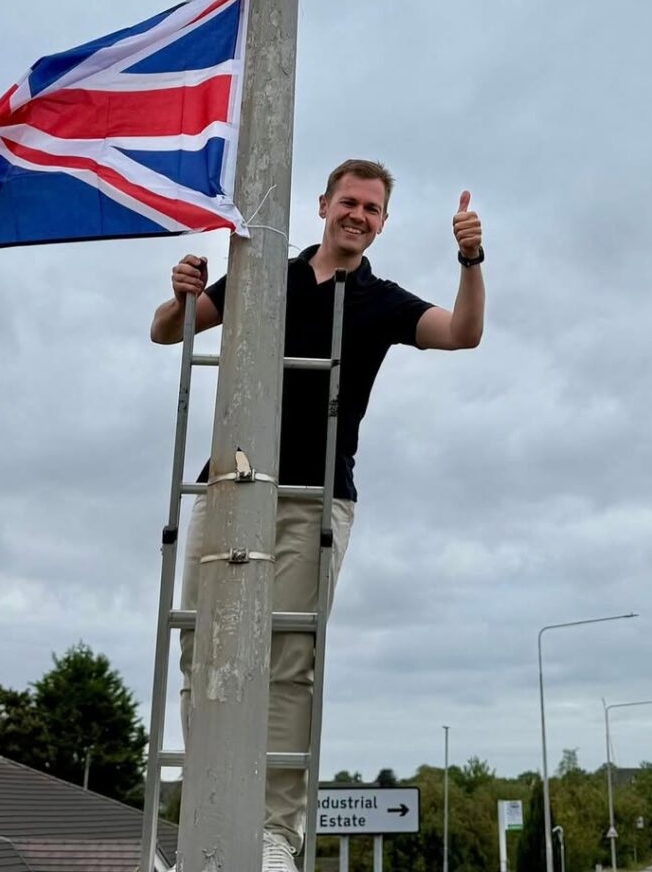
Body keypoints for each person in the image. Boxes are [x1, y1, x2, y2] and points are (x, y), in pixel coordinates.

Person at [150, 158, 485, 871]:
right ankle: (207, 817)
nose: (358, 215)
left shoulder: (381, 301)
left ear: (383, 224)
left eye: (372, 208)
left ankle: (274, 832)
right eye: (349, 202)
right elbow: (167, 332)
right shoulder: (263, 274)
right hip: (228, 483)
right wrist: (179, 294)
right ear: (323, 205)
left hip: (316, 495)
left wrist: (470, 259)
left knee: (288, 659)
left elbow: (462, 332)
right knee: (200, 645)